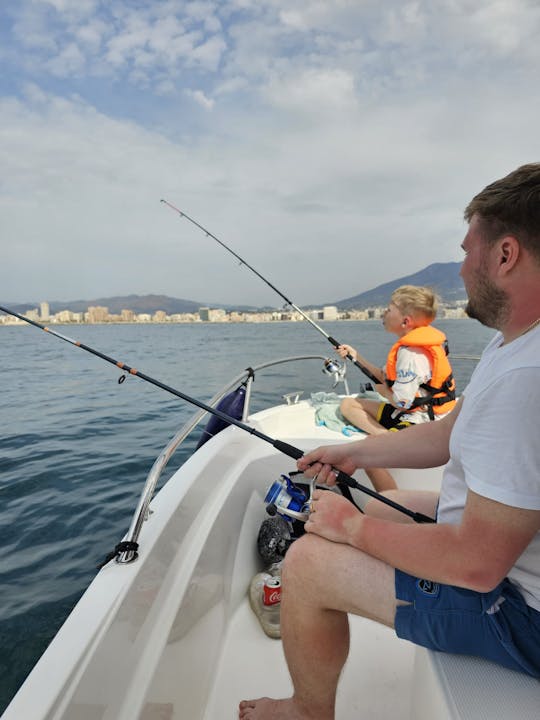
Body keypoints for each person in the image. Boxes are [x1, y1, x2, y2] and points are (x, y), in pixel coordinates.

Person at [239, 162, 540, 720]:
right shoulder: (514, 343)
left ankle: (308, 711)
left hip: (525, 615)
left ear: (504, 255)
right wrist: (352, 452)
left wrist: (352, 527)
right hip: (515, 559)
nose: (462, 265)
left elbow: (476, 565)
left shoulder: (528, 377)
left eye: (466, 249)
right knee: (395, 502)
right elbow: (451, 433)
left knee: (306, 562)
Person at [336, 285, 456, 492]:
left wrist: (383, 392)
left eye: (389, 309)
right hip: (408, 414)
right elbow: (384, 377)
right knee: (348, 405)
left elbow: (402, 401)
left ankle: (390, 505)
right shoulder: (407, 349)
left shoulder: (411, 355)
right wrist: (356, 357)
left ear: (405, 321)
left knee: (369, 456)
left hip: (424, 423)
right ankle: (387, 437)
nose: (384, 312)